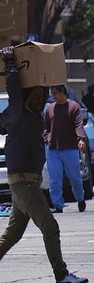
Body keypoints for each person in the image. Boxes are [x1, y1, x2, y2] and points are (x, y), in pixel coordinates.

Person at [0, 46, 88, 283]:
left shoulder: (37, 115)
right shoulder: (17, 114)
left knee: (13, 233)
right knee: (50, 227)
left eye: (41, 94)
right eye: (34, 95)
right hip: (22, 181)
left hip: (27, 181)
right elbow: (15, 95)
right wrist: (11, 64)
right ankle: (62, 275)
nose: (39, 98)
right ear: (25, 98)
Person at [43, 85, 87, 213]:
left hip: (70, 148)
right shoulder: (50, 109)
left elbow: (78, 124)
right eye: (52, 94)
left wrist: (81, 139)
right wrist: (47, 139)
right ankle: (57, 205)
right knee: (54, 179)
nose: (54, 96)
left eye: (56, 93)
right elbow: (46, 127)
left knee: (74, 177)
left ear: (63, 93)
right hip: (53, 149)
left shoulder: (73, 107)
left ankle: (80, 198)